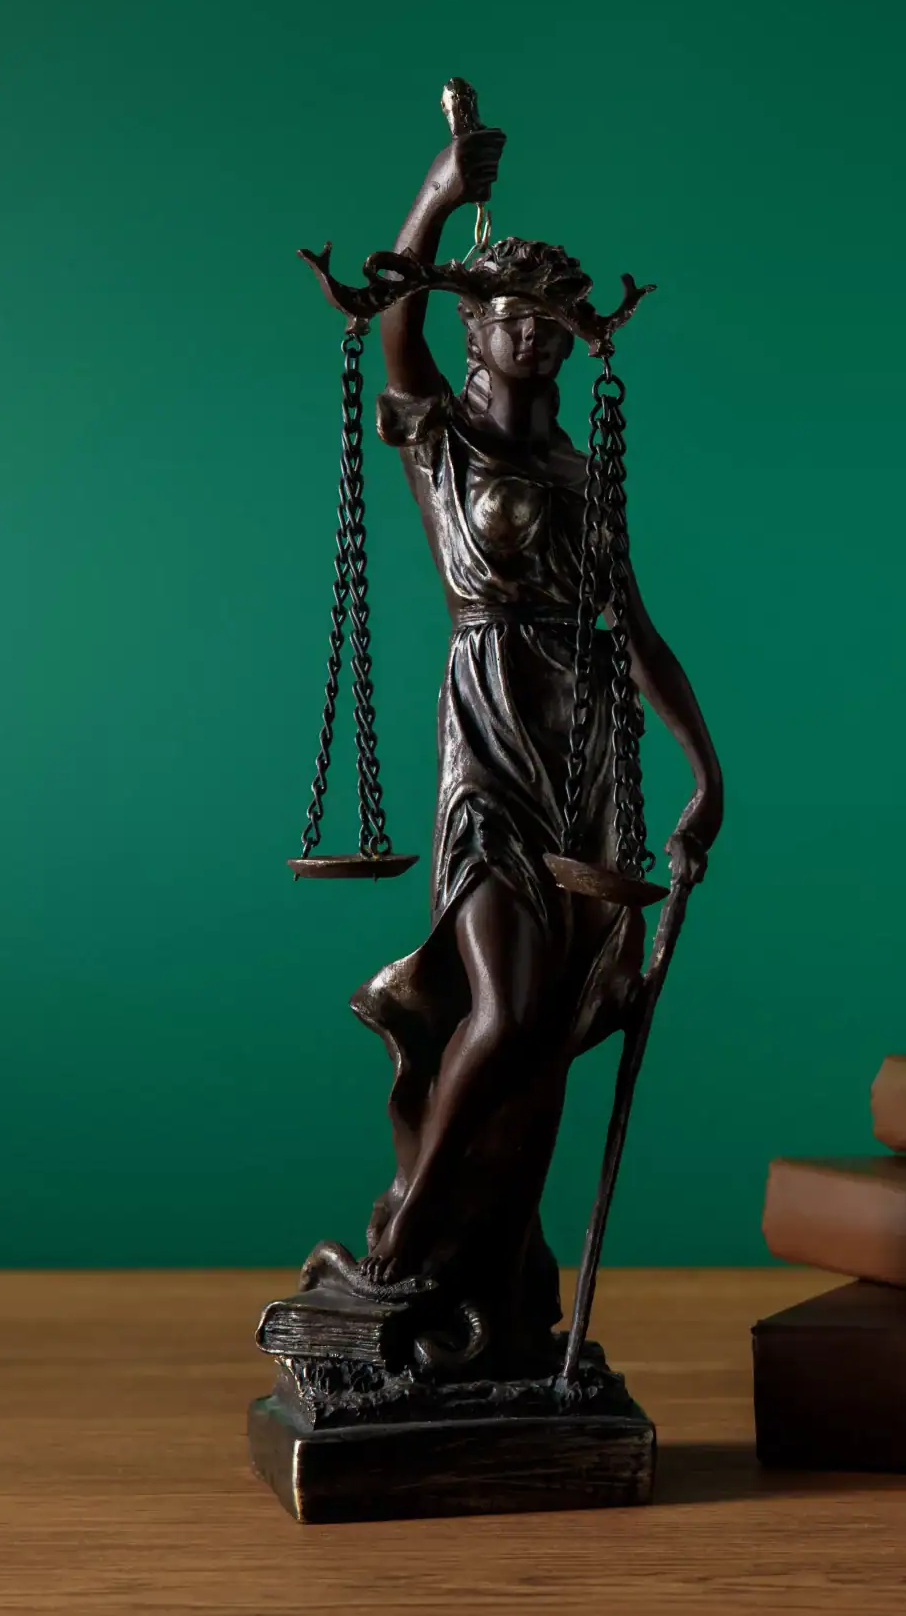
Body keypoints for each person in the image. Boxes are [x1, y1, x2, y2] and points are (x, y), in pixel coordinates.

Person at [297, 120, 722, 1380]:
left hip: (579, 755)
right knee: (508, 1005)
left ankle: (490, 1283)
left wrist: (703, 772)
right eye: (508, 313)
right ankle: (398, 1251)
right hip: (486, 737)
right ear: (475, 327)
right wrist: (435, 197)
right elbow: (394, 329)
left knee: (544, 1042)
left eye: (551, 317)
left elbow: (633, 629)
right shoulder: (442, 439)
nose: (533, 331)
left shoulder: (580, 472)